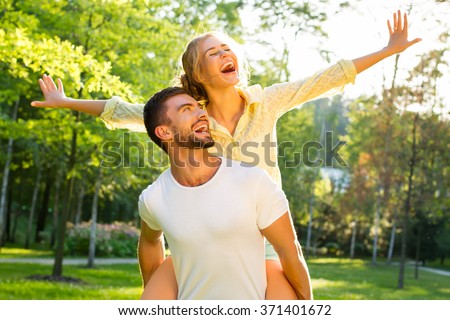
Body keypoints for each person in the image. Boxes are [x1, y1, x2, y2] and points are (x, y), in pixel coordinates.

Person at [31, 11, 421, 299]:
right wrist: (66, 102)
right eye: (212, 53)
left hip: (262, 232)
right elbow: (125, 111)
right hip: (203, 228)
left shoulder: (265, 102)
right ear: (198, 73)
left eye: (226, 49)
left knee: (287, 301)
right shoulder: (188, 115)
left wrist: (389, 50)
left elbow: (326, 78)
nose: (224, 54)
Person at [138, 86, 311, 299]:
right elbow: (149, 240)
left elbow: (289, 252)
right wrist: (152, 284)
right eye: (187, 109)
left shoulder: (252, 181)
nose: (202, 113)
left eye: (199, 108)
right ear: (164, 132)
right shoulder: (153, 198)